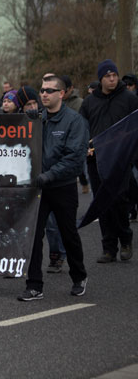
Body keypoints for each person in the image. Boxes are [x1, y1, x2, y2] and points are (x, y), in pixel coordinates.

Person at [18, 75, 89, 301]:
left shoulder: (75, 122)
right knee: (34, 237)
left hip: (62, 187)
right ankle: (34, 285)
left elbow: (74, 159)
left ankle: (79, 276)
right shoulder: (35, 118)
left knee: (68, 234)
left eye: (50, 90)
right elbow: (4, 126)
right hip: (40, 189)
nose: (44, 94)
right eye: (42, 90)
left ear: (62, 94)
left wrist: (48, 176)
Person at [79, 59, 138, 263]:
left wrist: (132, 156)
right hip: (96, 160)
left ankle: (126, 239)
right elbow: (81, 129)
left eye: (114, 76)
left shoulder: (129, 99)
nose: (112, 79)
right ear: (100, 78)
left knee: (120, 201)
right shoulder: (89, 102)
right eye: (107, 76)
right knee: (102, 203)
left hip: (120, 159)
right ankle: (108, 247)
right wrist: (84, 147)